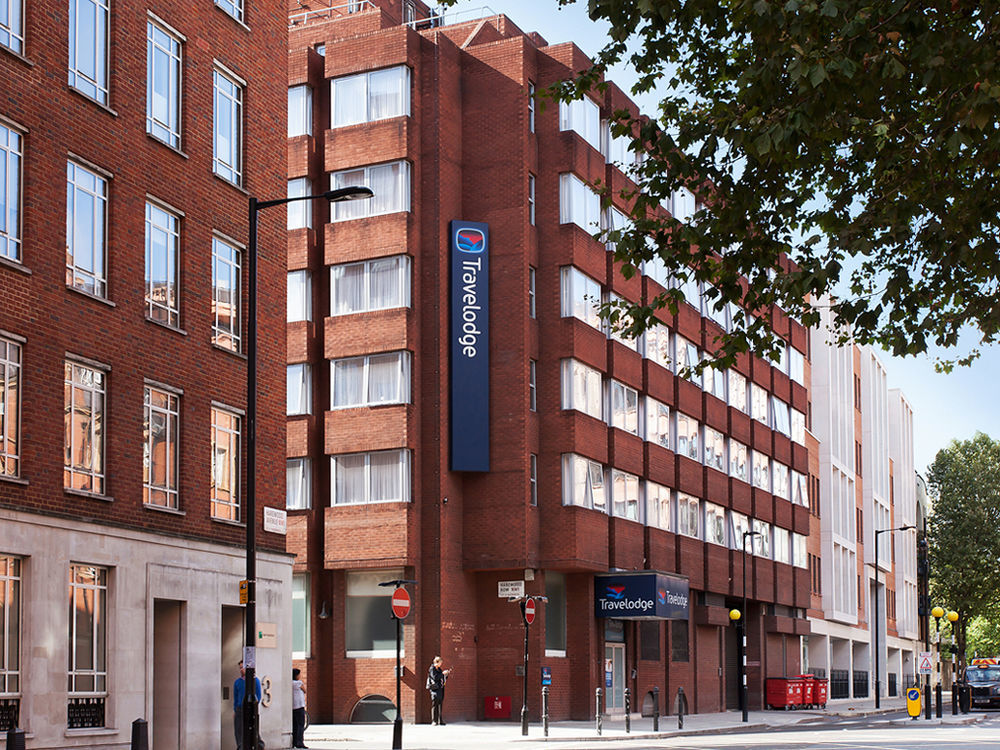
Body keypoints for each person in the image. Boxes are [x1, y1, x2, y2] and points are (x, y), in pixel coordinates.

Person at [233, 660, 262, 750]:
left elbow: (258, 695)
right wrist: (235, 709)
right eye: (240, 668)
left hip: (250, 708)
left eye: (243, 667)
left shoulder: (255, 681)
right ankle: (240, 746)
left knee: (252, 729)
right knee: (239, 730)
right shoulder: (237, 682)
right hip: (240, 708)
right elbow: (236, 697)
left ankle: (259, 744)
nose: (241, 670)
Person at [427, 656, 452, 725]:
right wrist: (442, 674)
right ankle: (434, 720)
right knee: (435, 704)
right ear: (437, 662)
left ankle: (440, 720)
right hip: (434, 689)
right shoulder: (432, 669)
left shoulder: (439, 669)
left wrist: (446, 674)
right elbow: (435, 677)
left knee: (440, 704)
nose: (441, 664)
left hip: (440, 688)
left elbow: (441, 678)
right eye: (440, 663)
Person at [291, 668, 308, 749]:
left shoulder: (290, 683)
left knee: (294, 725)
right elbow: (305, 690)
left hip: (292, 706)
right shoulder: (298, 683)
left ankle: (294, 742)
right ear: (296, 675)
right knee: (301, 725)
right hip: (299, 706)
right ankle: (300, 742)